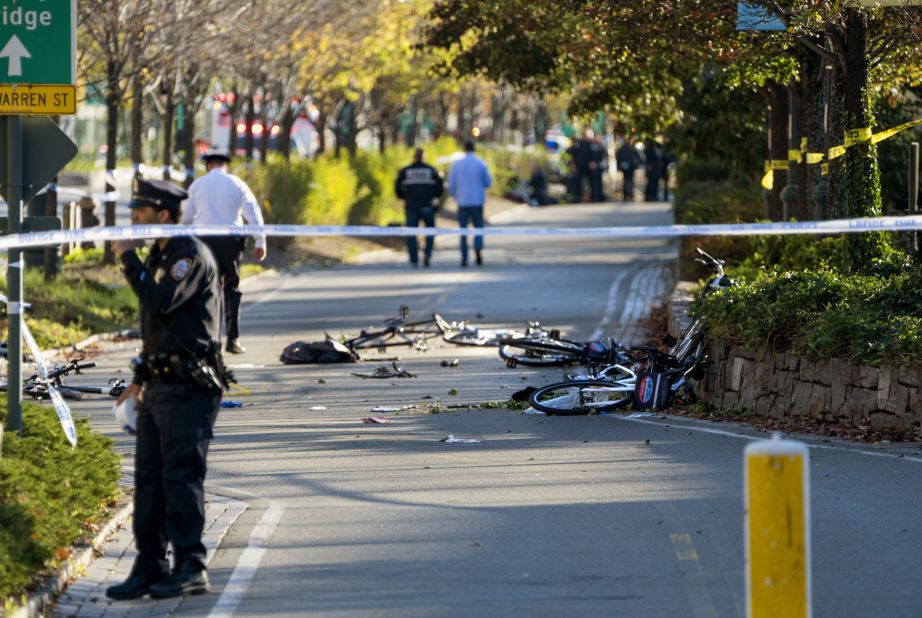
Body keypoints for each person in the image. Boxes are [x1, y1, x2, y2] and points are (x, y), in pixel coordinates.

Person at [107, 178, 227, 601]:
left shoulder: (187, 255)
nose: (133, 218)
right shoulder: (160, 255)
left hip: (189, 385)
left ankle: (190, 566)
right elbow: (157, 328)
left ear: (161, 214)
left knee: (181, 477)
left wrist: (127, 260)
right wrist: (138, 379)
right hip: (159, 385)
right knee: (150, 482)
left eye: (139, 210)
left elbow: (159, 302)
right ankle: (150, 565)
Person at [182, 148, 266, 354]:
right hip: (231, 241)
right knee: (232, 288)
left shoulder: (197, 185)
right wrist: (260, 241)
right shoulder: (237, 184)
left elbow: (184, 217)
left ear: (207, 165)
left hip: (204, 242)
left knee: (208, 289)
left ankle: (211, 340)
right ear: (225, 165)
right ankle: (233, 339)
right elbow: (252, 212)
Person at [395, 148, 443, 267]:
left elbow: (397, 188)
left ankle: (414, 259)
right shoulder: (431, 170)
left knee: (411, 233)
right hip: (428, 205)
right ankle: (427, 254)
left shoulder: (406, 171)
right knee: (430, 231)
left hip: (411, 206)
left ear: (414, 157)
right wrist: (433, 196)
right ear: (424, 157)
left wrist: (404, 197)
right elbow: (440, 187)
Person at [447, 140, 492, 267]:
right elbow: (488, 182)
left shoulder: (457, 165)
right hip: (477, 201)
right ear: (474, 149)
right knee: (478, 228)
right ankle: (478, 250)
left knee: (463, 230)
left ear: (463, 149)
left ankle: (464, 257)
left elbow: (451, 185)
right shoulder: (481, 164)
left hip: (462, 202)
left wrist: (456, 196)